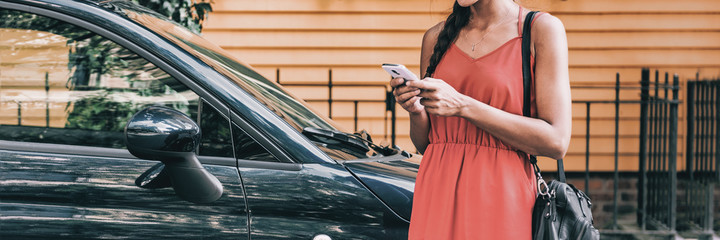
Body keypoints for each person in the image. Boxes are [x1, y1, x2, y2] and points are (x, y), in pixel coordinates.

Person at [390, 0, 571, 239]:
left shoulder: (539, 30)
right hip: (437, 192)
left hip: (501, 198)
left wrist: (464, 105)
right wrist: (416, 109)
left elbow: (556, 141)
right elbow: (426, 144)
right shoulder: (435, 37)